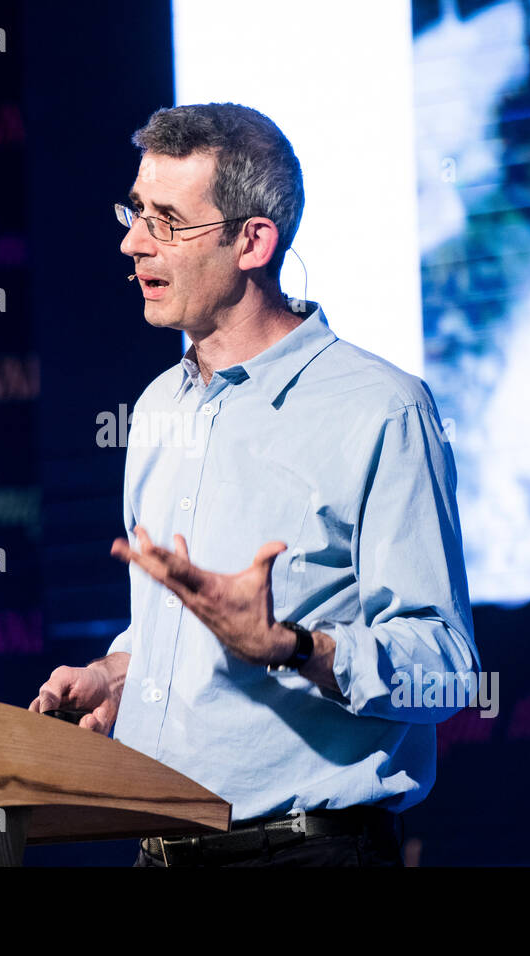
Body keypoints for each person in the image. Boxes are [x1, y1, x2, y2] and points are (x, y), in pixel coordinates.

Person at [29, 103, 480, 867]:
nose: (131, 241)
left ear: (253, 241)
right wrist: (115, 674)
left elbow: (447, 670)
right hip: (158, 849)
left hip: (301, 855)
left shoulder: (382, 409)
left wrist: (293, 646)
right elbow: (194, 634)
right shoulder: (158, 408)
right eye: (136, 210)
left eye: (166, 221)